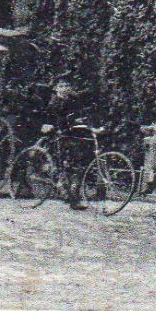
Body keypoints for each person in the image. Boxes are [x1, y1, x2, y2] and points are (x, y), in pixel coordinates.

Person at [37, 73, 94, 210]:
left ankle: (73, 193)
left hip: (71, 135)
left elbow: (78, 115)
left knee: (79, 163)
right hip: (56, 135)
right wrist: (46, 125)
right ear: (56, 88)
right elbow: (48, 119)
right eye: (61, 86)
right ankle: (69, 194)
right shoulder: (53, 102)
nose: (64, 88)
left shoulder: (73, 100)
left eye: (67, 85)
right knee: (65, 164)